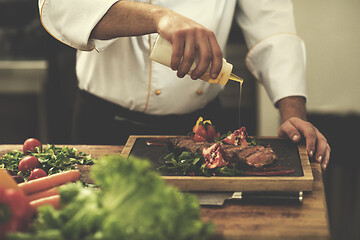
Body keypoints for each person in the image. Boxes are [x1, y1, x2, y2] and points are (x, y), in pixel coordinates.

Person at [38, 0, 330, 170]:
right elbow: (65, 5)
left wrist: (293, 114)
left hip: (202, 131)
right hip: (104, 127)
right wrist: (158, 16)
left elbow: (273, 26)